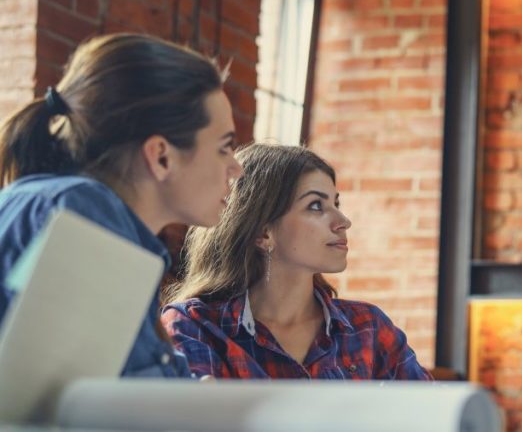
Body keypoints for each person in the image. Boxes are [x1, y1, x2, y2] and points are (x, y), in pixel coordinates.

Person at [0, 33, 243, 377]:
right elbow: (63, 410)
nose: (237, 167)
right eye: (224, 147)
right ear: (161, 156)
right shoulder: (85, 212)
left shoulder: (68, 205)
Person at [161, 143, 432, 381]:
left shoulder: (369, 329)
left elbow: (436, 419)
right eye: (316, 206)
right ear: (263, 232)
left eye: (336, 203)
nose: (343, 221)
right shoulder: (196, 327)